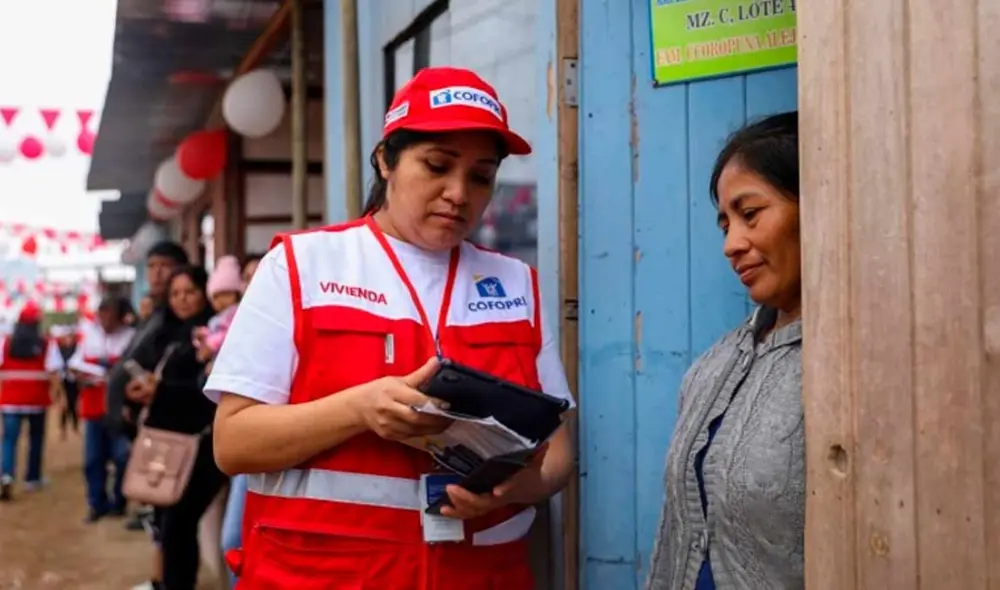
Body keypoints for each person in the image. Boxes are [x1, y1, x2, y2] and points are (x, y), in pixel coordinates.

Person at [205, 66, 575, 589]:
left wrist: (511, 490)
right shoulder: (302, 266)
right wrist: (358, 409)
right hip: (319, 577)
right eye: (437, 165)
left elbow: (557, 451)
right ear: (386, 159)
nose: (458, 192)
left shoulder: (516, 284)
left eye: (480, 176)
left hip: (480, 575)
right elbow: (233, 442)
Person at [647, 112, 803, 590]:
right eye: (725, 224)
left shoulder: (859, 365)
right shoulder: (715, 365)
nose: (732, 244)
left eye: (750, 214)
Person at [129, 266, 228, 590]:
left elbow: (212, 390)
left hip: (204, 445)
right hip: (167, 444)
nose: (182, 300)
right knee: (169, 526)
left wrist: (164, 389)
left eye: (189, 292)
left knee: (178, 525)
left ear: (205, 293)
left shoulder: (216, 334)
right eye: (175, 294)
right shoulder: (166, 335)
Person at [69, 296, 137, 522]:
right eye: (102, 314)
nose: (105, 320)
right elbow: (75, 364)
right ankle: (97, 504)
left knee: (121, 457)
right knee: (93, 459)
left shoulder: (130, 337)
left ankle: (119, 500)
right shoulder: (89, 336)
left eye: (110, 315)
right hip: (94, 406)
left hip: (119, 408)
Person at [218, 254, 263, 589]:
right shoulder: (230, 324)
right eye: (247, 277)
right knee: (233, 541)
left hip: (284, 441)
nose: (255, 281)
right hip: (248, 442)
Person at [0, 301, 52, 501]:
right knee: (36, 438)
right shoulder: (45, 343)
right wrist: (57, 393)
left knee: (9, 440)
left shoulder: (6, 342)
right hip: (37, 399)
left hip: (11, 400)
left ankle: (6, 475)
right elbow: (53, 369)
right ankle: (33, 477)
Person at [193, 255, 242, 363]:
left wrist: (210, 345)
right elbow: (214, 332)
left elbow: (226, 333)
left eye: (226, 295)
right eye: (216, 297)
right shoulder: (218, 318)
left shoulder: (235, 314)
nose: (221, 301)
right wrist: (202, 335)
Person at [45, 324, 81, 438]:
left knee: (74, 404)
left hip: (74, 380)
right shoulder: (59, 349)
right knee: (63, 405)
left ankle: (75, 426)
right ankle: (62, 428)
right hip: (63, 379)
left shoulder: (77, 348)